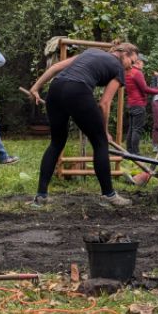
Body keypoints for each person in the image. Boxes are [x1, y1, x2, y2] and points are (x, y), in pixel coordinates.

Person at [28, 43, 139, 207]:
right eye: (132, 60)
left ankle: (41, 196)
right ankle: (109, 195)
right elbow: (105, 103)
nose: (132, 65)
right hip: (77, 90)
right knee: (100, 142)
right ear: (123, 53)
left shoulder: (91, 52)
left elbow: (56, 67)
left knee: (56, 142)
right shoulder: (118, 68)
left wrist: (36, 87)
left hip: (56, 88)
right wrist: (104, 130)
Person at [125, 56, 158, 155]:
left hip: (131, 103)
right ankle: (135, 152)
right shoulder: (137, 73)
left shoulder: (128, 71)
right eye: (143, 63)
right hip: (138, 103)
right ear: (138, 62)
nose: (143, 65)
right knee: (137, 129)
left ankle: (129, 150)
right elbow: (145, 89)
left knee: (131, 128)